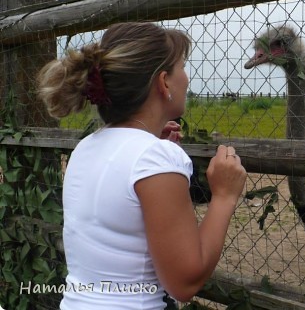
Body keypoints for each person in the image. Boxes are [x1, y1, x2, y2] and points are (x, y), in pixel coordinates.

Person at [37, 22, 247, 310]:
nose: (186, 78)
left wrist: (150, 144)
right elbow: (184, 283)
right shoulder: (155, 157)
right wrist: (224, 196)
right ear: (163, 83)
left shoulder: (86, 147)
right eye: (182, 67)